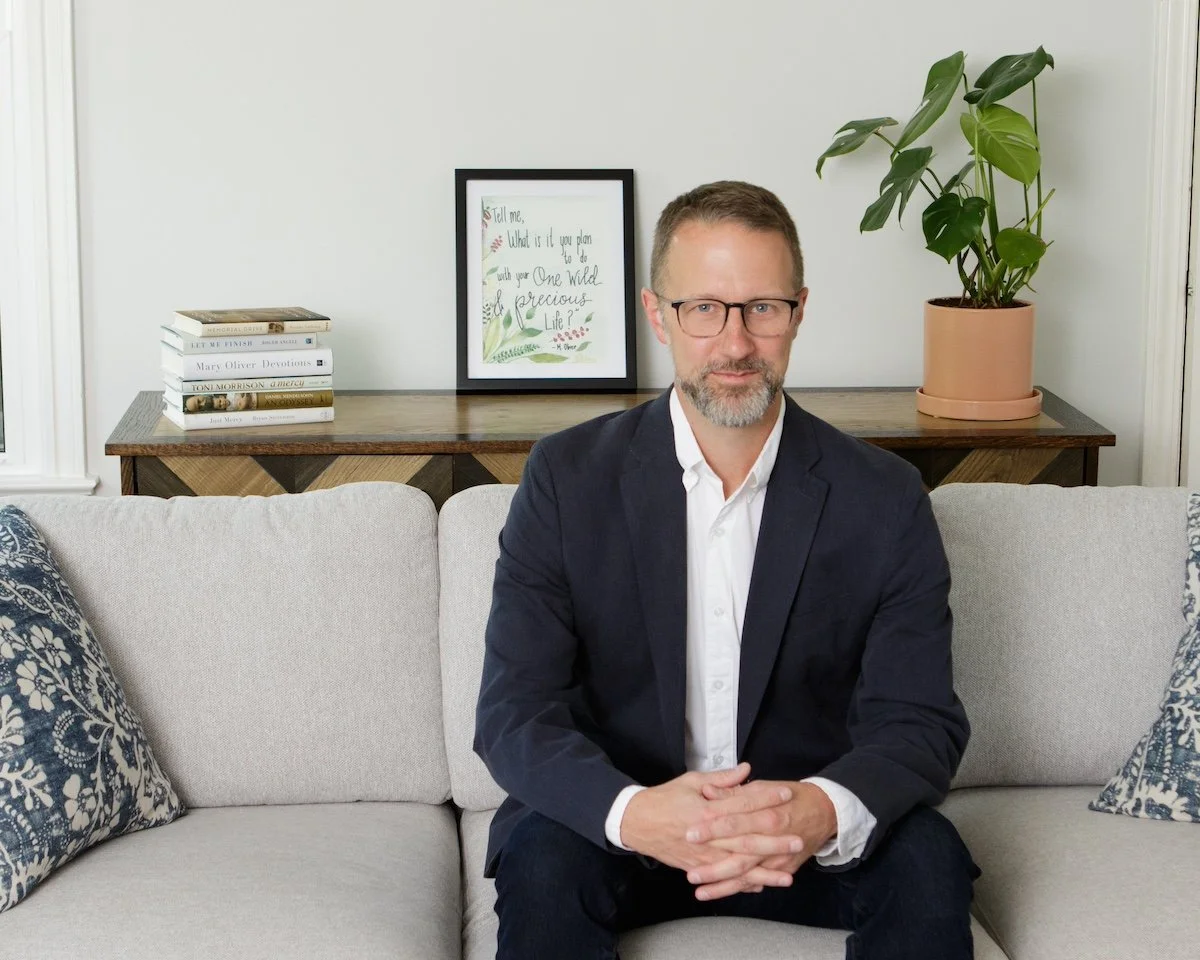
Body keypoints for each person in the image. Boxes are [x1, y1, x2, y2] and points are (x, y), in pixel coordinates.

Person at [474, 180, 978, 960]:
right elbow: (514, 712)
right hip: (623, 827)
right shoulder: (566, 479)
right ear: (657, 315)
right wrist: (635, 814)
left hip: (802, 838)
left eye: (762, 308)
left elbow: (919, 721)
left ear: (799, 312)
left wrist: (816, 810)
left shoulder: (884, 497)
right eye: (703, 308)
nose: (736, 343)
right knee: (543, 862)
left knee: (929, 862)